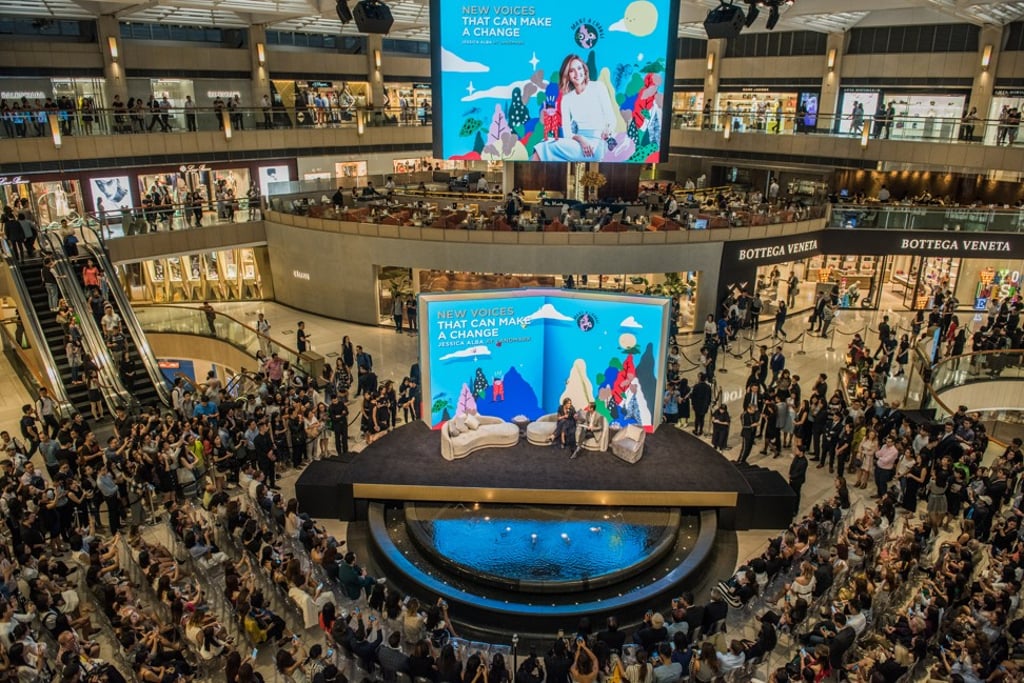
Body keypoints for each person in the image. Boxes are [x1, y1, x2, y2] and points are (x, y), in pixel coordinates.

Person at [533, 54, 617, 162]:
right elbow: (568, 133)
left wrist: (607, 130)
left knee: (544, 146)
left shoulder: (598, 87)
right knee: (544, 144)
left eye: (579, 68)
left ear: (584, 69)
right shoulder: (567, 99)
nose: (577, 73)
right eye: (572, 71)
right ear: (567, 75)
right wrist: (581, 140)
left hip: (596, 145)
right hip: (578, 143)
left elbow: (612, 119)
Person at [788, 446, 808, 515]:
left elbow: (800, 473)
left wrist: (792, 476)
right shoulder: (796, 457)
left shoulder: (804, 462)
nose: (795, 451)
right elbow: (792, 465)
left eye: (797, 450)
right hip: (792, 478)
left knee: (796, 494)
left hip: (798, 480)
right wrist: (790, 473)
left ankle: (795, 510)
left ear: (801, 452)